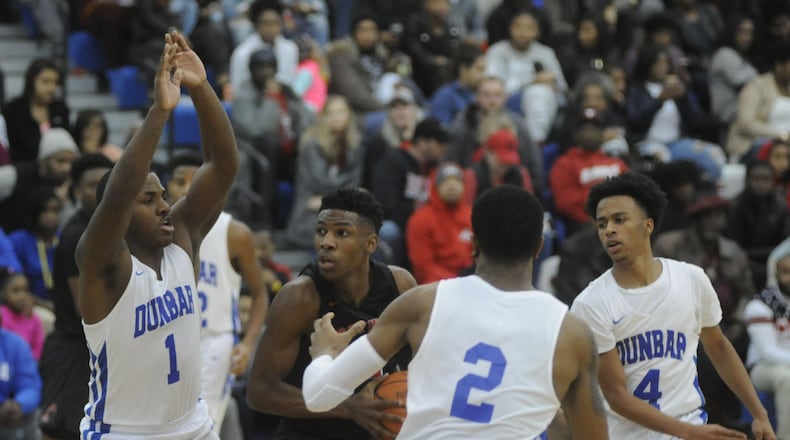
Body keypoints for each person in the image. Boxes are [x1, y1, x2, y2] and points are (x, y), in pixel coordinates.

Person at [300, 185, 609, 439]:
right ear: (539, 247)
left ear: (473, 244)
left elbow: (318, 397)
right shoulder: (572, 332)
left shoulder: (421, 304)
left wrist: (323, 355)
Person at [75, 31, 238, 439]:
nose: (166, 205)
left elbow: (222, 166)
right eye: (149, 200)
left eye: (163, 195)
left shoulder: (182, 238)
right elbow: (116, 197)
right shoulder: (103, 263)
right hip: (124, 432)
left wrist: (200, 89)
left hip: (193, 425)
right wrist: (159, 114)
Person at [571, 172, 776, 439]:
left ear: (648, 225)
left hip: (689, 423)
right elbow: (615, 395)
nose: (609, 229)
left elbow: (719, 348)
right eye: (602, 224)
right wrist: (688, 432)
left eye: (619, 220)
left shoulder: (691, 278)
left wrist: (759, 414)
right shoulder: (590, 303)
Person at [246, 187, 418, 440]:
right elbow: (260, 391)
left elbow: (421, 363)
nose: (326, 242)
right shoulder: (299, 297)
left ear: (370, 243)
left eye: (342, 233)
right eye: (321, 231)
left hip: (377, 428)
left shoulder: (400, 285)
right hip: (311, 432)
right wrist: (346, 408)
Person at [164, 150, 268, 433]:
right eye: (178, 181)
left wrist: (247, 344)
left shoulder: (234, 232)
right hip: (165, 340)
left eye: (194, 181)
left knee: (200, 428)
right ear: (166, 186)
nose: (186, 189)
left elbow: (260, 294)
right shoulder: (155, 228)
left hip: (214, 343)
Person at [38, 153, 113, 440]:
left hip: (100, 349)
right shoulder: (77, 236)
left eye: (106, 183)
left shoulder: (115, 230)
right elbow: (87, 308)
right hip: (75, 352)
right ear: (75, 191)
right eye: (91, 184)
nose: (100, 191)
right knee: (65, 432)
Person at [744, 249, 790, 440]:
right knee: (786, 379)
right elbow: (768, 351)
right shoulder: (760, 305)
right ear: (775, 274)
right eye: (786, 272)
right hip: (763, 367)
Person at [0, 309, 42, 440]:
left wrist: (19, 404)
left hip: (4, 412)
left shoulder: (15, 344)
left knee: (32, 415)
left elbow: (30, 386)